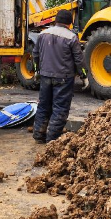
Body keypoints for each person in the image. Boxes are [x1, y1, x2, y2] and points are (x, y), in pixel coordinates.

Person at [32, 9, 85, 143]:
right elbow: (79, 60)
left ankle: (39, 134)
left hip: (45, 76)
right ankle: (53, 139)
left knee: (43, 105)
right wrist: (84, 76)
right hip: (63, 78)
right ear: (70, 23)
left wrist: (37, 70)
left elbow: (35, 54)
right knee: (60, 108)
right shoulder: (71, 37)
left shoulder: (43, 34)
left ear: (56, 21)